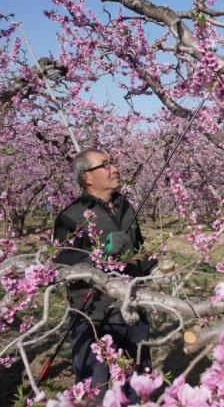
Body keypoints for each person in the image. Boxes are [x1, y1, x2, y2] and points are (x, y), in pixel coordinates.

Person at [53, 148, 155, 399]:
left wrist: (153, 267)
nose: (114, 168)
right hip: (94, 316)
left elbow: (139, 251)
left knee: (136, 389)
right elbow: (62, 267)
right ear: (87, 177)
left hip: (132, 309)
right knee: (93, 392)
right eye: (105, 165)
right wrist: (100, 255)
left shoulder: (125, 206)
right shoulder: (70, 217)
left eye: (113, 162)